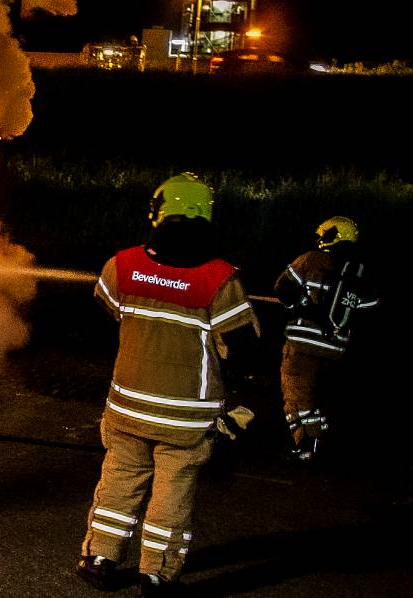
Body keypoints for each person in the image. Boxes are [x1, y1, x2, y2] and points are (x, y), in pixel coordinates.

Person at [76, 172, 259, 596]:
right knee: (172, 492)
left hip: (126, 407)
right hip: (187, 419)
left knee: (120, 479)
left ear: (159, 209)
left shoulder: (121, 265)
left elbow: (105, 316)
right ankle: (156, 573)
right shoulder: (220, 279)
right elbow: (240, 348)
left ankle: (99, 557)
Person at [273, 216, 379, 462]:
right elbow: (370, 307)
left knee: (296, 396)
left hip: (302, 342)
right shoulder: (359, 272)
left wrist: (300, 306)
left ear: (332, 235)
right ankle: (325, 445)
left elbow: (282, 288)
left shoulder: (311, 259)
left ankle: (306, 450)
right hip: (337, 346)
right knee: (322, 396)